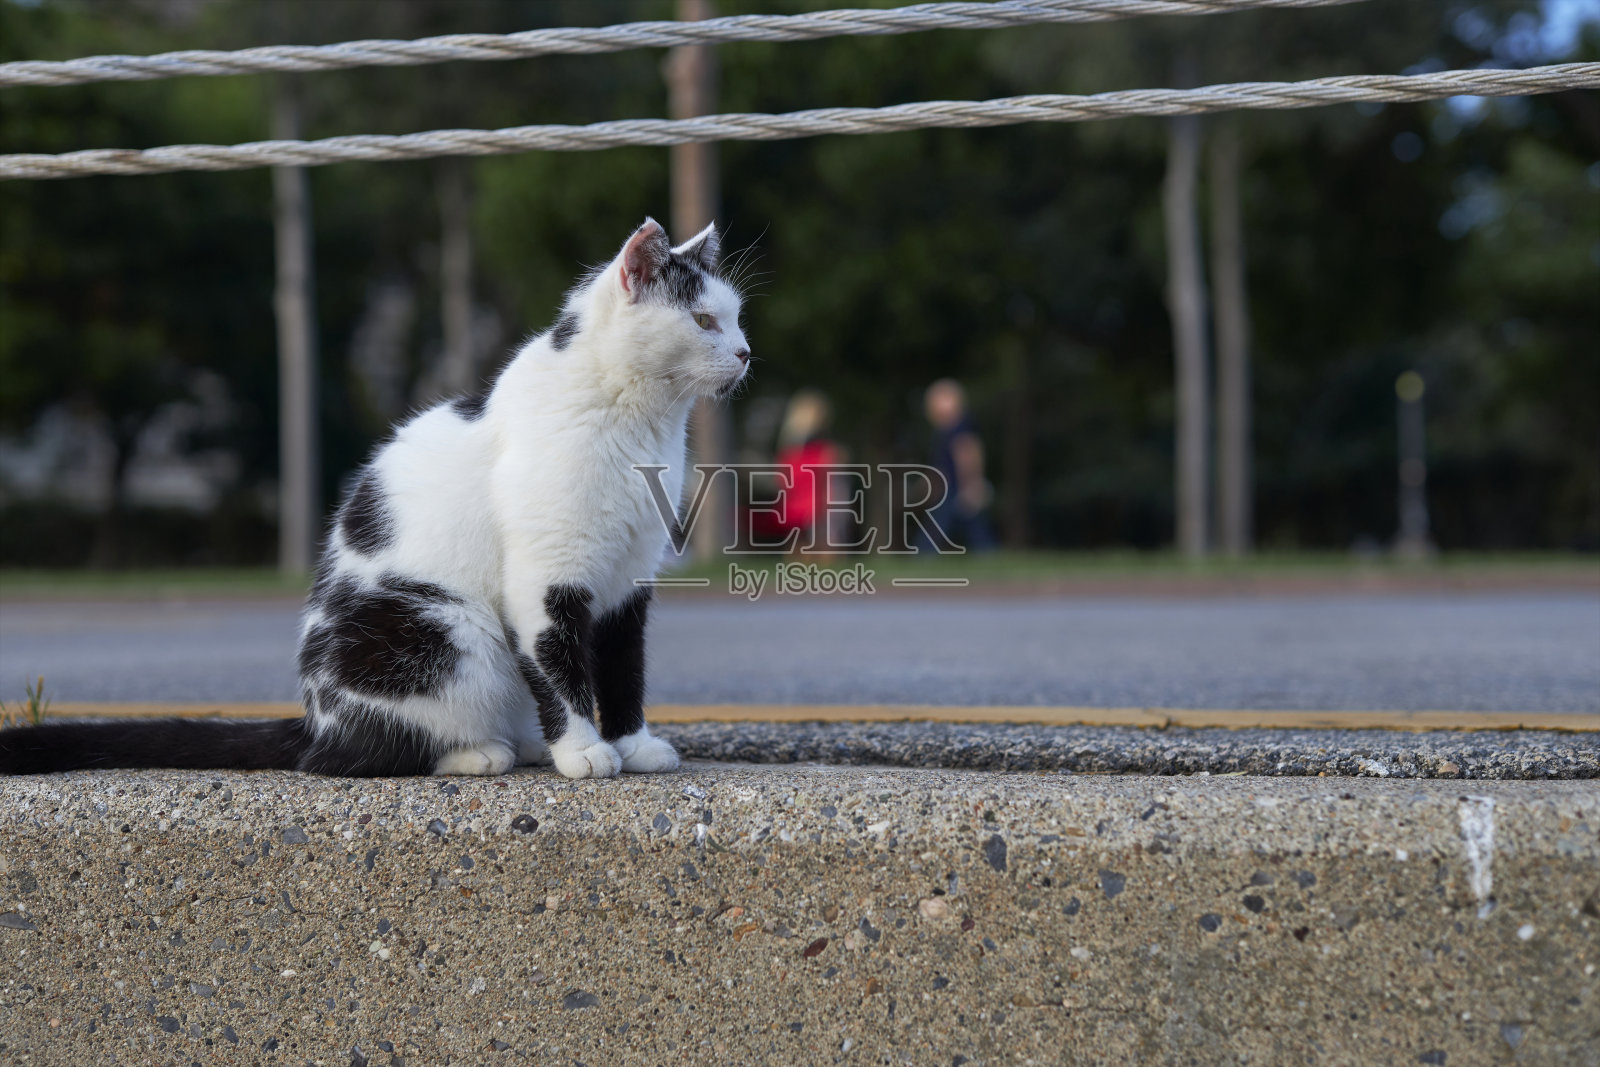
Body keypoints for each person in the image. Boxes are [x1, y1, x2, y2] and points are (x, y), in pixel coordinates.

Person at [923, 378, 995, 552]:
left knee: (942, 521)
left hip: (958, 486)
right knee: (972, 523)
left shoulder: (960, 427)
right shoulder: (946, 430)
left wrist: (972, 482)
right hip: (951, 486)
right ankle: (988, 552)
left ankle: (924, 553)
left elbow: (968, 455)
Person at [772, 389, 845, 555]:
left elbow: (782, 481)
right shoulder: (818, 450)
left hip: (806, 505)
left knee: (803, 544)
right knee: (818, 544)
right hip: (814, 505)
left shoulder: (790, 449)